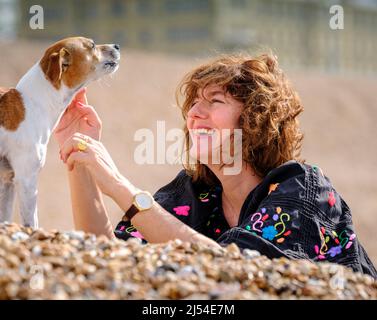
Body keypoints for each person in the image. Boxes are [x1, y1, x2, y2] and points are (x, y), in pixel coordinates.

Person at [55, 53, 377, 278]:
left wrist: (122, 188)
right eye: (194, 102)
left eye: (215, 101)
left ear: (254, 121)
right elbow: (106, 255)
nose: (195, 112)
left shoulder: (303, 188)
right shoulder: (195, 193)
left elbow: (238, 268)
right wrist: (81, 155)